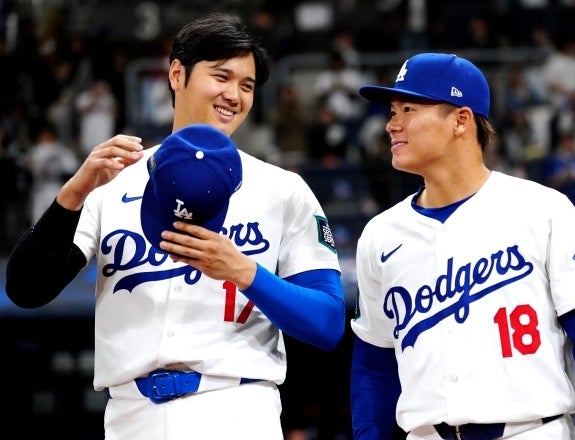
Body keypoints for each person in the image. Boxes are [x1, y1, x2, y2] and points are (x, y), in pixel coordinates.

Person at [4, 12, 345, 440]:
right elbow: (26, 290)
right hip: (131, 415)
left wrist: (246, 272)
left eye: (247, 85)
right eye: (221, 76)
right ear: (177, 73)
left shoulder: (281, 189)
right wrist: (71, 196)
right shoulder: (113, 182)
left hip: (236, 410)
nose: (234, 95)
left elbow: (329, 322)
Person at [349, 53, 575, 440]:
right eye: (392, 111)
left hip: (531, 431)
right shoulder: (380, 235)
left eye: (408, 109)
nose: (392, 124)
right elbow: (373, 366)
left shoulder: (543, 209)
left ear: (461, 120)